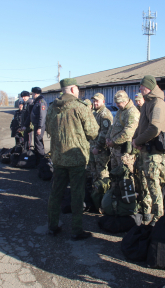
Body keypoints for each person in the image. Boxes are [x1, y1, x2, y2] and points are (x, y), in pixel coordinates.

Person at [45, 78, 99, 240]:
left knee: (56, 193)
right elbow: (93, 132)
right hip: (76, 159)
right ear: (74, 89)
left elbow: (48, 128)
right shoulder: (80, 107)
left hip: (58, 157)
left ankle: (52, 226)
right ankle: (77, 230)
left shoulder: (52, 107)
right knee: (77, 194)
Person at [132, 75, 165, 226]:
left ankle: (159, 218)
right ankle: (147, 211)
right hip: (145, 151)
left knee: (154, 186)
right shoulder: (147, 103)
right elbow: (141, 126)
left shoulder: (157, 103)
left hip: (153, 152)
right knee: (145, 183)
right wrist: (135, 140)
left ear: (150, 87)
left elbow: (154, 128)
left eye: (142, 86)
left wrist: (139, 140)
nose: (140, 89)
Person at [105, 90, 140, 173]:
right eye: (116, 103)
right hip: (115, 151)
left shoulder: (132, 112)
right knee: (114, 175)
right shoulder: (120, 111)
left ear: (125, 101)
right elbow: (113, 126)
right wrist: (107, 137)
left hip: (125, 152)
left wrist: (113, 141)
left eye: (119, 103)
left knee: (125, 177)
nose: (117, 105)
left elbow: (128, 132)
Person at [90, 93, 113, 182]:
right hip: (94, 147)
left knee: (102, 172)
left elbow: (105, 133)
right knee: (94, 171)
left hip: (101, 149)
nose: (95, 103)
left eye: (97, 101)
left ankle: (104, 192)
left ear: (103, 102)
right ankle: (96, 192)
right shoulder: (96, 113)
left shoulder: (105, 114)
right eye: (94, 101)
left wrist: (97, 147)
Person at [29, 87, 47, 163]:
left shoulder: (41, 102)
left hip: (40, 125)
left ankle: (41, 160)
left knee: (38, 142)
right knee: (37, 141)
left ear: (35, 93)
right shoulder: (37, 101)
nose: (32, 95)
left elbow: (42, 116)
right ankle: (39, 158)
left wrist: (39, 127)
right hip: (37, 125)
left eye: (32, 93)